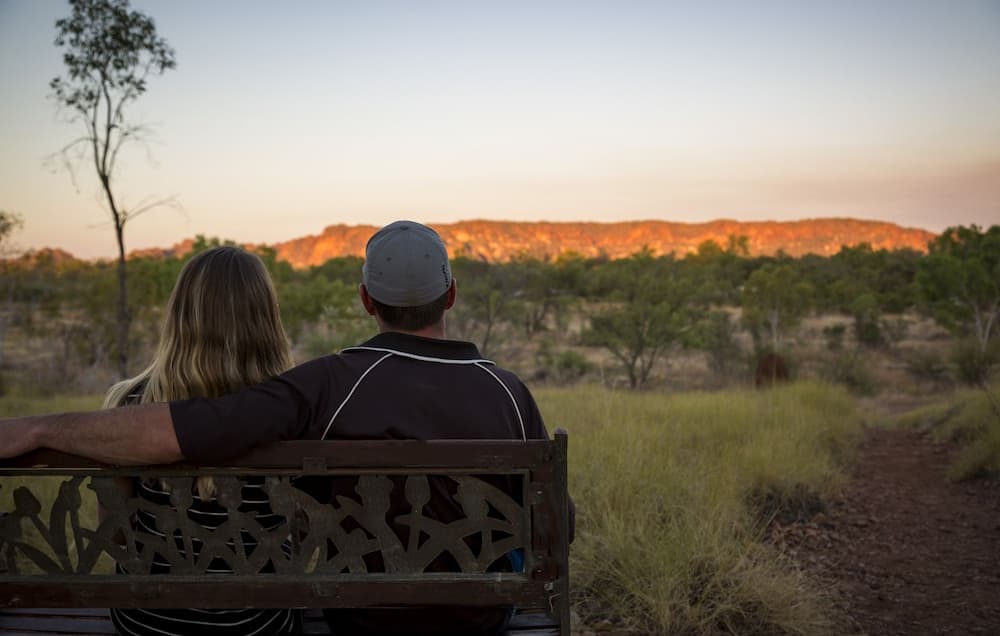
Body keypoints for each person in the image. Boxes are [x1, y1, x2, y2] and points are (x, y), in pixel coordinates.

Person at [0, 220, 574, 635]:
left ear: (366, 300)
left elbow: (203, 427)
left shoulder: (327, 384)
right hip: (479, 617)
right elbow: (555, 525)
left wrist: (39, 428)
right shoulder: (510, 389)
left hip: (355, 619)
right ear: (451, 293)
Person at [101, 246, 299, 636]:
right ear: (265, 317)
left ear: (180, 315)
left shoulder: (127, 404)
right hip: (259, 623)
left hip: (149, 622)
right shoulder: (292, 407)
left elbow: (116, 536)